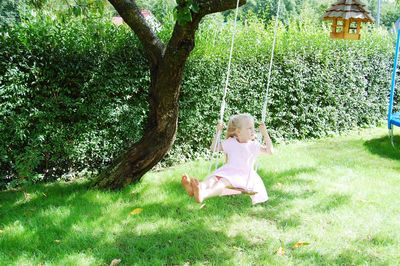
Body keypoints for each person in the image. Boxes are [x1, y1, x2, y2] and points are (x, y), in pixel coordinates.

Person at [181, 113, 274, 205]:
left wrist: (265, 133)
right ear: (238, 131)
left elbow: (270, 151)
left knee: (222, 182)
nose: (253, 131)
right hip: (227, 171)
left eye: (253, 128)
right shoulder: (231, 142)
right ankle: (195, 189)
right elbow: (214, 148)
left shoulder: (253, 145)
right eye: (249, 128)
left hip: (243, 176)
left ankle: (203, 194)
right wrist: (218, 132)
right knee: (212, 179)